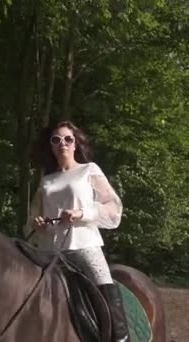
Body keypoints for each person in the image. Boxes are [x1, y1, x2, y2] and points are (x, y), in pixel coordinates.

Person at [26, 120, 130, 342]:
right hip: (48, 251)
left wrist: (82, 213)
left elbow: (114, 209)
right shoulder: (46, 181)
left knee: (105, 286)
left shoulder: (89, 170)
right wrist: (38, 223)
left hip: (84, 245)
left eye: (67, 139)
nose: (62, 143)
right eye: (56, 140)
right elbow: (32, 218)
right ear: (51, 146)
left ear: (75, 144)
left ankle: (121, 338)